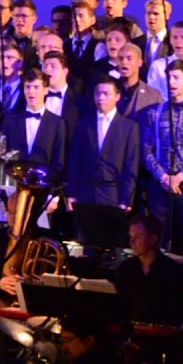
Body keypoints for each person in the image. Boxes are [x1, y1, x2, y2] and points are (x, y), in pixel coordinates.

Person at [142, 60, 183, 256]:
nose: (172, 82)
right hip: (159, 183)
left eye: (176, 77)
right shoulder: (155, 113)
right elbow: (147, 150)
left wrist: (180, 176)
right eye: (169, 77)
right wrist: (163, 177)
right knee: (157, 238)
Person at [67, 78, 139, 244]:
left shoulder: (129, 127)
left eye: (106, 94)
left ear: (117, 96)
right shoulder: (84, 123)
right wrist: (72, 193)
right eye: (98, 93)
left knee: (110, 243)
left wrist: (126, 199)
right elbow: (75, 160)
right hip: (86, 193)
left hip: (112, 194)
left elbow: (131, 165)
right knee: (85, 243)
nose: (101, 98)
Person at [113, 214, 183, 328]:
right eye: (131, 236)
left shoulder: (174, 271)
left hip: (162, 336)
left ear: (153, 239)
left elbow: (177, 311)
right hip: (131, 333)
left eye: (137, 237)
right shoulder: (126, 268)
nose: (132, 241)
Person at [4, 68, 66, 172]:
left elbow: (58, 162)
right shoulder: (11, 120)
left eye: (36, 87)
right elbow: (4, 155)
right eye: (27, 87)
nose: (31, 91)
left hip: (44, 185)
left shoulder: (57, 124)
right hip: (15, 183)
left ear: (46, 90)